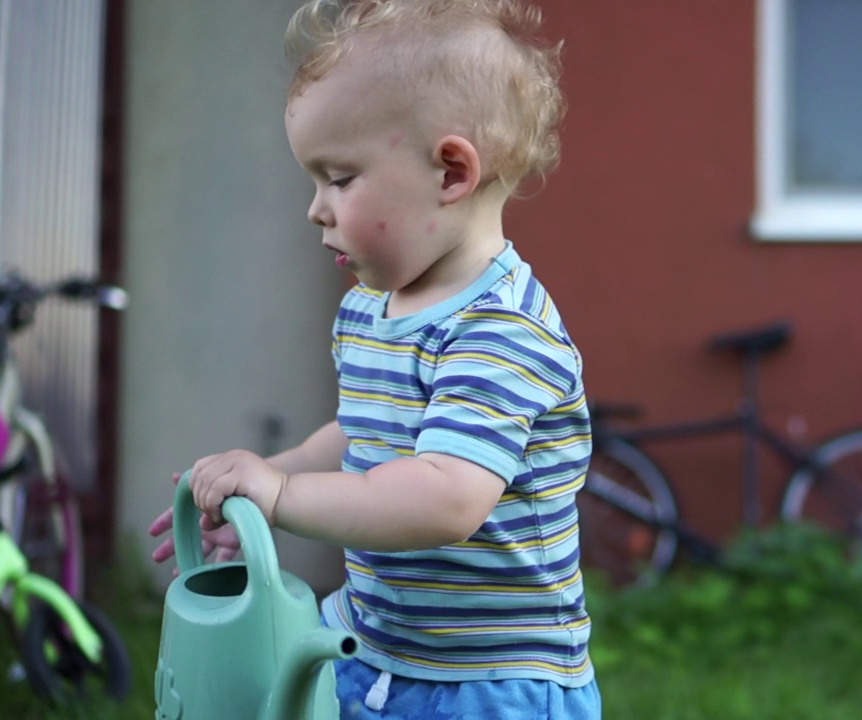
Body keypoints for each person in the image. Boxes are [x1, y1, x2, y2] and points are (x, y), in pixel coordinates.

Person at [148, 0, 599, 717]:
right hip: (368, 643)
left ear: (450, 172)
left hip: (487, 683)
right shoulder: (370, 307)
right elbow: (363, 433)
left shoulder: (501, 331)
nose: (315, 208)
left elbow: (445, 496)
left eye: (340, 177)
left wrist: (285, 499)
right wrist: (268, 480)